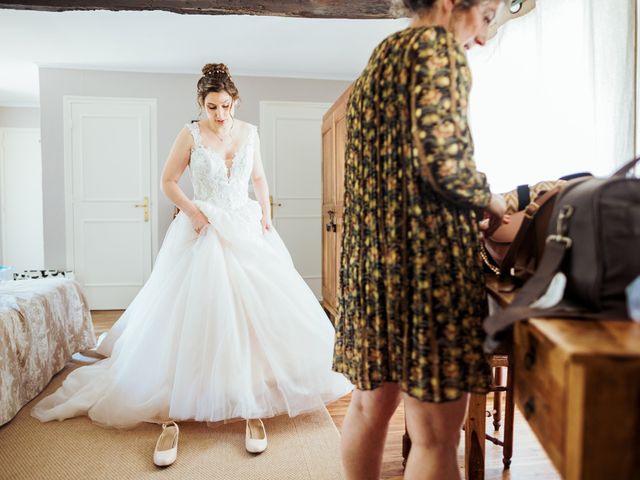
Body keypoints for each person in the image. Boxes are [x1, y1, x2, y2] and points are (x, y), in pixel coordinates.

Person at [32, 62, 352, 466]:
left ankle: (252, 397)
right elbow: (167, 182)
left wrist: (267, 216)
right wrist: (195, 215)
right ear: (201, 103)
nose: (220, 115)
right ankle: (188, 394)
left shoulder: (249, 132)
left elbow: (259, 181)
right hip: (203, 227)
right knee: (200, 311)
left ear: (235, 102)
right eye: (212, 107)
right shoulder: (190, 134)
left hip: (246, 225)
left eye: (226, 106)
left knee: (257, 311)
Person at [331, 1, 508, 479]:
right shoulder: (438, 49)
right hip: (428, 273)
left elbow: (395, 170)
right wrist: (491, 200)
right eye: (487, 16)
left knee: (368, 411)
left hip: (372, 269)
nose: (484, 38)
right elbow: (444, 163)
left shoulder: (380, 57)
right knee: (435, 437)